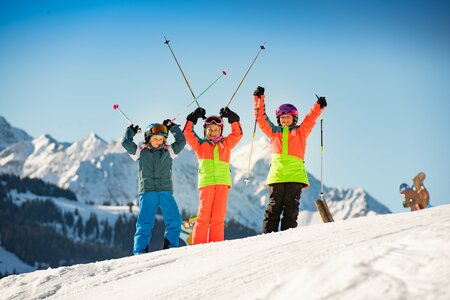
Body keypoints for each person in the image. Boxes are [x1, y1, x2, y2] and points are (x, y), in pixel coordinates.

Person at [253, 86, 327, 233]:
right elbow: (261, 118)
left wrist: (318, 106)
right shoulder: (274, 132)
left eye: (288, 117)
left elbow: (310, 119)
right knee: (274, 207)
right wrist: (259, 99)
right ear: (279, 120)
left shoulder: (300, 132)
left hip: (295, 176)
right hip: (277, 176)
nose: (285, 119)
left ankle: (287, 237)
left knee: (291, 209)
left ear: (294, 119)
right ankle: (267, 237)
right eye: (282, 117)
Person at [122, 119, 186, 254]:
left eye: (162, 139)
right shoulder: (139, 152)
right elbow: (126, 143)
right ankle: (140, 251)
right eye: (156, 138)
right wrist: (131, 131)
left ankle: (170, 248)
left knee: (174, 220)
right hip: (148, 192)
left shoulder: (169, 151)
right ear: (147, 138)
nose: (159, 141)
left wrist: (173, 127)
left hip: (165, 191)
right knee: (144, 223)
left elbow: (181, 141)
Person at [183, 106, 243, 244]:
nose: (213, 132)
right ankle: (198, 244)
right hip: (207, 183)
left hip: (222, 183)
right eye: (210, 129)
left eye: (216, 130)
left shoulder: (226, 144)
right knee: (204, 215)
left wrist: (233, 118)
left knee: (218, 216)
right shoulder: (200, 144)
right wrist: (192, 118)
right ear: (205, 130)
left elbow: (237, 134)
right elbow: (188, 133)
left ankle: (216, 245)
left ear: (221, 131)